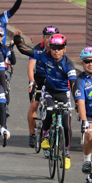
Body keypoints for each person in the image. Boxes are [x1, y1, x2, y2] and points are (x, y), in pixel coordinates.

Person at [13, 32, 77, 169]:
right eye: (54, 48)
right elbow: (27, 52)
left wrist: (77, 101)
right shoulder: (45, 57)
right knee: (49, 110)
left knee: (66, 125)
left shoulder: (68, 64)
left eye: (60, 48)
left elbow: (73, 84)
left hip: (63, 94)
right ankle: (46, 136)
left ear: (65, 49)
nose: (56, 51)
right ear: (50, 48)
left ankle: (66, 153)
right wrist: (18, 43)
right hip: (49, 91)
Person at [26, 26, 58, 147]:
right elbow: (30, 67)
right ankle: (32, 134)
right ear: (43, 37)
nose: (50, 39)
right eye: (48, 37)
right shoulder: (37, 49)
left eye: (53, 37)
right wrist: (32, 81)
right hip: (39, 78)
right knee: (34, 105)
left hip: (52, 78)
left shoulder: (58, 49)